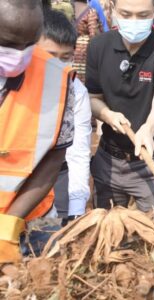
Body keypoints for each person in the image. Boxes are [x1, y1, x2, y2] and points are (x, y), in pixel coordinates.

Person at [86, 0, 154, 222]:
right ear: (112, 8)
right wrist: (106, 114)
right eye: (126, 14)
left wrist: (148, 129)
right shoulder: (98, 47)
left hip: (150, 163)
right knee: (107, 233)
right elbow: (93, 97)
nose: (134, 22)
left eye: (142, 15)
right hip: (108, 161)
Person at [0, 0, 75, 263]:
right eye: (9, 43)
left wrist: (8, 226)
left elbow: (54, 160)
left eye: (29, 43)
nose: (20, 54)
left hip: (33, 224)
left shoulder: (58, 78)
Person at [37, 9, 92, 225]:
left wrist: (77, 209)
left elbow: (78, 151)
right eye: (49, 56)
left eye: (65, 58)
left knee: (50, 239)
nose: (57, 66)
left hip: (56, 175)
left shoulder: (76, 92)